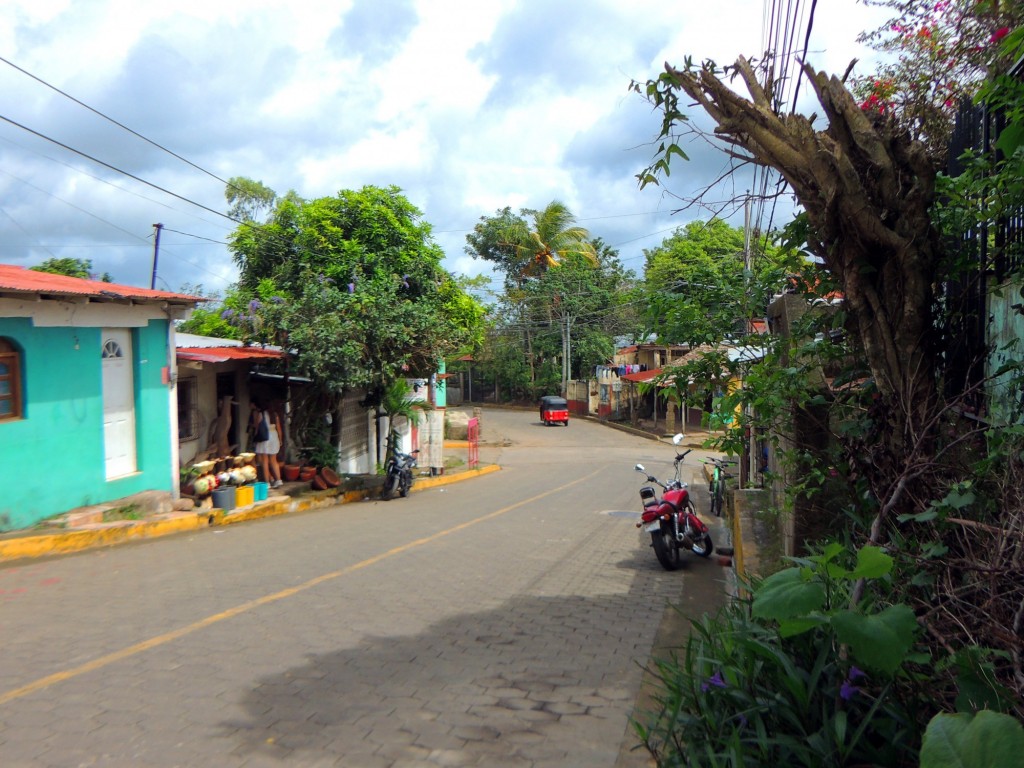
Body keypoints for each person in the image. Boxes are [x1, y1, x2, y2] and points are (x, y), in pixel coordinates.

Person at [251, 400, 283, 488]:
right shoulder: (275, 415)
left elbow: (257, 427)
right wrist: (280, 440)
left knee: (265, 461)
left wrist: (255, 438)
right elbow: (279, 428)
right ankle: (279, 480)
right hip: (274, 436)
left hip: (265, 437)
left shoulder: (261, 414)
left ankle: (267, 482)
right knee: (274, 460)